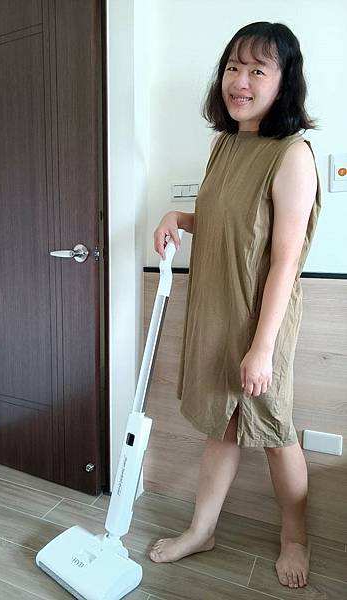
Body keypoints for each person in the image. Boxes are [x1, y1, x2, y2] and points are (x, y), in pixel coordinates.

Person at [150, 22, 321, 591]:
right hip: (218, 309)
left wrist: (263, 347)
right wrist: (179, 218)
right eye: (232, 68)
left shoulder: (293, 155)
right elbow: (226, 223)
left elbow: (285, 261)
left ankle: (295, 536)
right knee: (222, 424)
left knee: (275, 429)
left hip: (261, 319)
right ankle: (202, 530)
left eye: (256, 70)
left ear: (283, 82)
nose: (239, 82)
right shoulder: (223, 145)